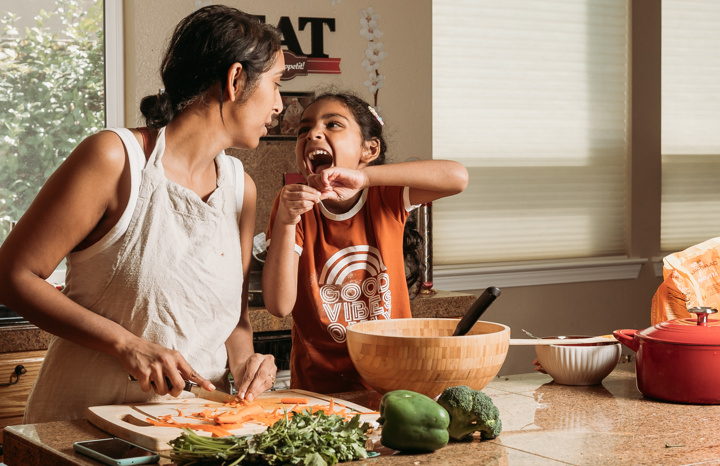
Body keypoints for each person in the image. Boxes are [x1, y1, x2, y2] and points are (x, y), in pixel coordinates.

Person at [0, 5, 283, 423]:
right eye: (275, 85)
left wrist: (245, 365)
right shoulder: (115, 158)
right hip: (83, 431)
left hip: (193, 434)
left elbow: (233, 320)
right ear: (236, 79)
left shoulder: (242, 188)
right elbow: (12, 275)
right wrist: (124, 344)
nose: (279, 105)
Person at [262, 91, 469, 393]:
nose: (313, 134)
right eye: (303, 130)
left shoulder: (386, 196)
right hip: (320, 390)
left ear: (369, 149)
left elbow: (458, 177)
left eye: (332, 125)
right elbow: (279, 306)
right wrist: (286, 219)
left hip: (393, 380)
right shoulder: (293, 205)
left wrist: (367, 178)